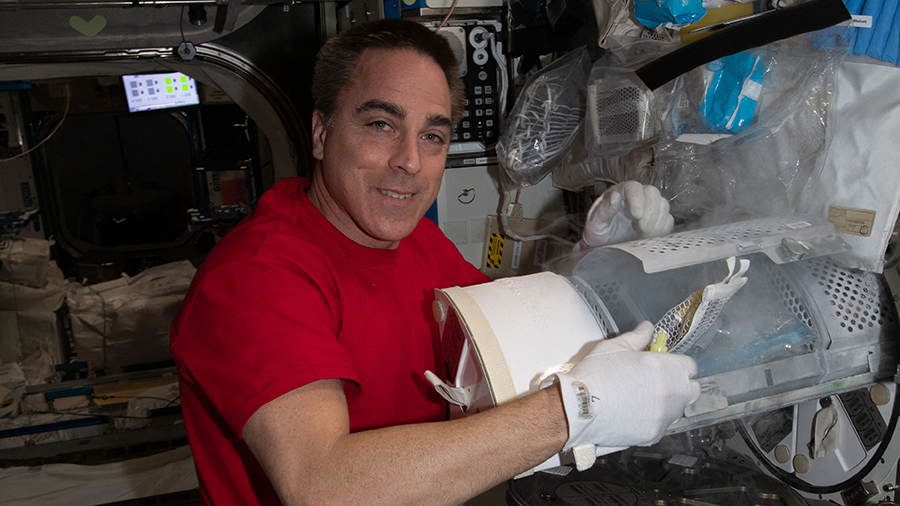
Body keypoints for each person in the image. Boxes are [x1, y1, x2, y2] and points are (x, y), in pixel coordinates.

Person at [170, 18, 699, 506]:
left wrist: (599, 265)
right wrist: (574, 410)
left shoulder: (418, 244)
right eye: (381, 124)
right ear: (321, 132)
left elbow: (505, 352)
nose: (409, 162)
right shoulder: (257, 276)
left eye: (432, 136)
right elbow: (321, 485)